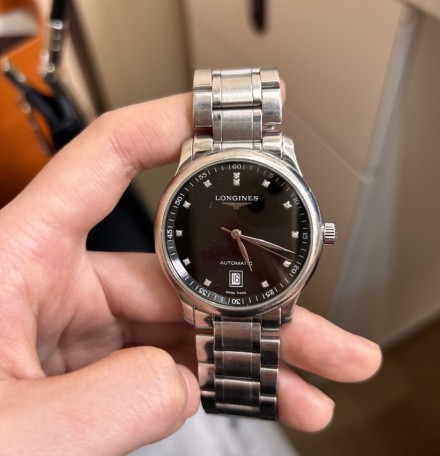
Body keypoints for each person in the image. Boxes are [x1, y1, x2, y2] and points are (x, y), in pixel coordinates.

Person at [0, 92, 382, 454]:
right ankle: (233, 412)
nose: (236, 233)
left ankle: (230, 411)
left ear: (320, 233)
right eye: (233, 231)